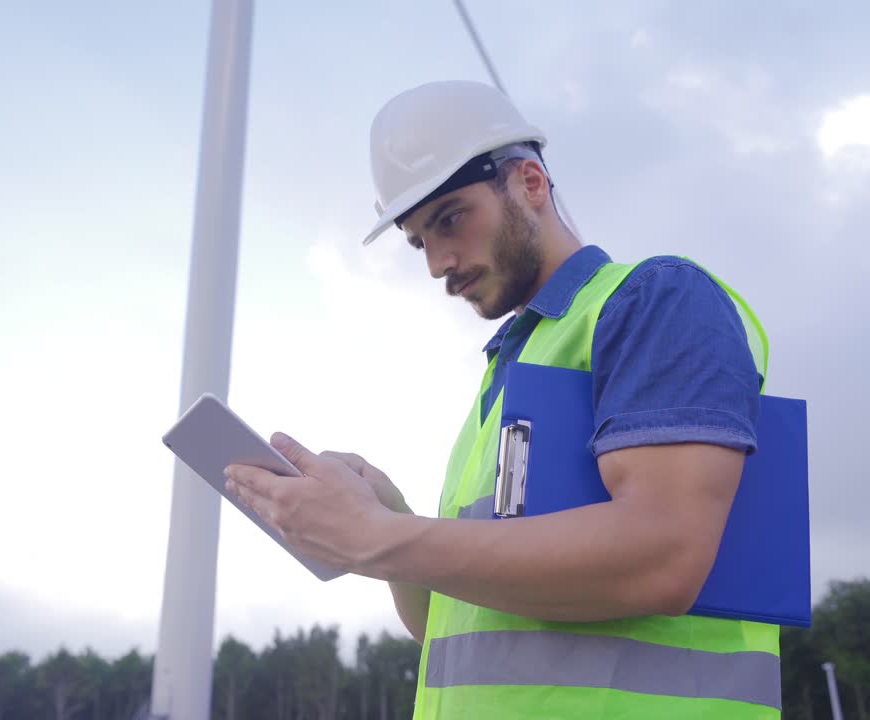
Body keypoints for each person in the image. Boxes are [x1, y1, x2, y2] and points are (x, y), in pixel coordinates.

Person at [224, 80, 779, 719]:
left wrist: (378, 534)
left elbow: (665, 553)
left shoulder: (655, 300)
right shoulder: (506, 374)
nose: (436, 262)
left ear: (530, 184)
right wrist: (389, 515)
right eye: (418, 240)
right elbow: (448, 619)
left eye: (451, 218)